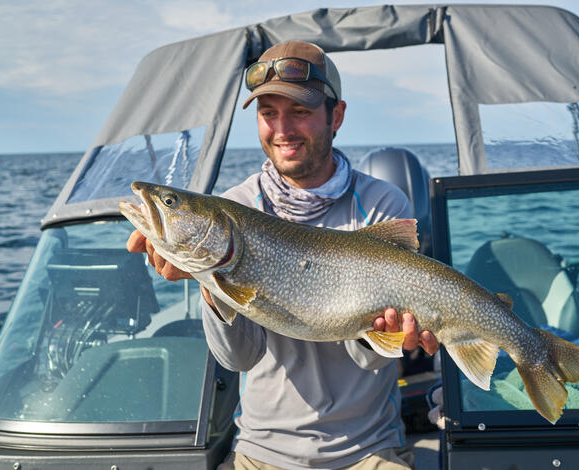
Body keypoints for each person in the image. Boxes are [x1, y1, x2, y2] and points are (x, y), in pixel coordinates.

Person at [127, 40, 439, 470]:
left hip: (369, 451)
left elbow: (368, 359)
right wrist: (210, 283)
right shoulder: (237, 206)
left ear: (337, 116)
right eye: (267, 113)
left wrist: (389, 333)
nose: (282, 130)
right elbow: (239, 358)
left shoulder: (381, 203)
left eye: (301, 112)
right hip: (262, 454)